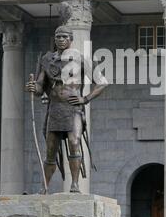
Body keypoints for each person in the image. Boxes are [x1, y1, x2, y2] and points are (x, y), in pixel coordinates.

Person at [26, 25, 108, 193]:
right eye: (58, 37)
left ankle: (75, 185)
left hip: (73, 107)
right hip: (54, 108)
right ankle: (44, 187)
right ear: (54, 40)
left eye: (64, 37)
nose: (61, 40)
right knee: (50, 150)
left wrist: (85, 99)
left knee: (74, 142)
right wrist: (34, 88)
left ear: (71, 39)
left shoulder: (81, 58)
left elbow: (102, 82)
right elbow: (41, 87)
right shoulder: (47, 60)